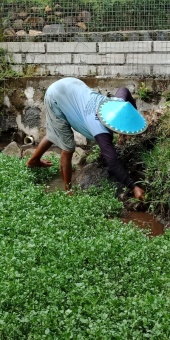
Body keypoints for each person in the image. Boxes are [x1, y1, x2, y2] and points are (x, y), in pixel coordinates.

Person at [27, 77, 148, 199]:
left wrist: (132, 113)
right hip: (55, 96)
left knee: (56, 131)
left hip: (71, 84)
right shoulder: (100, 130)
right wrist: (134, 187)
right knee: (68, 148)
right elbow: (112, 161)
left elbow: (124, 90)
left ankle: (33, 161)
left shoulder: (116, 103)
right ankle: (67, 191)